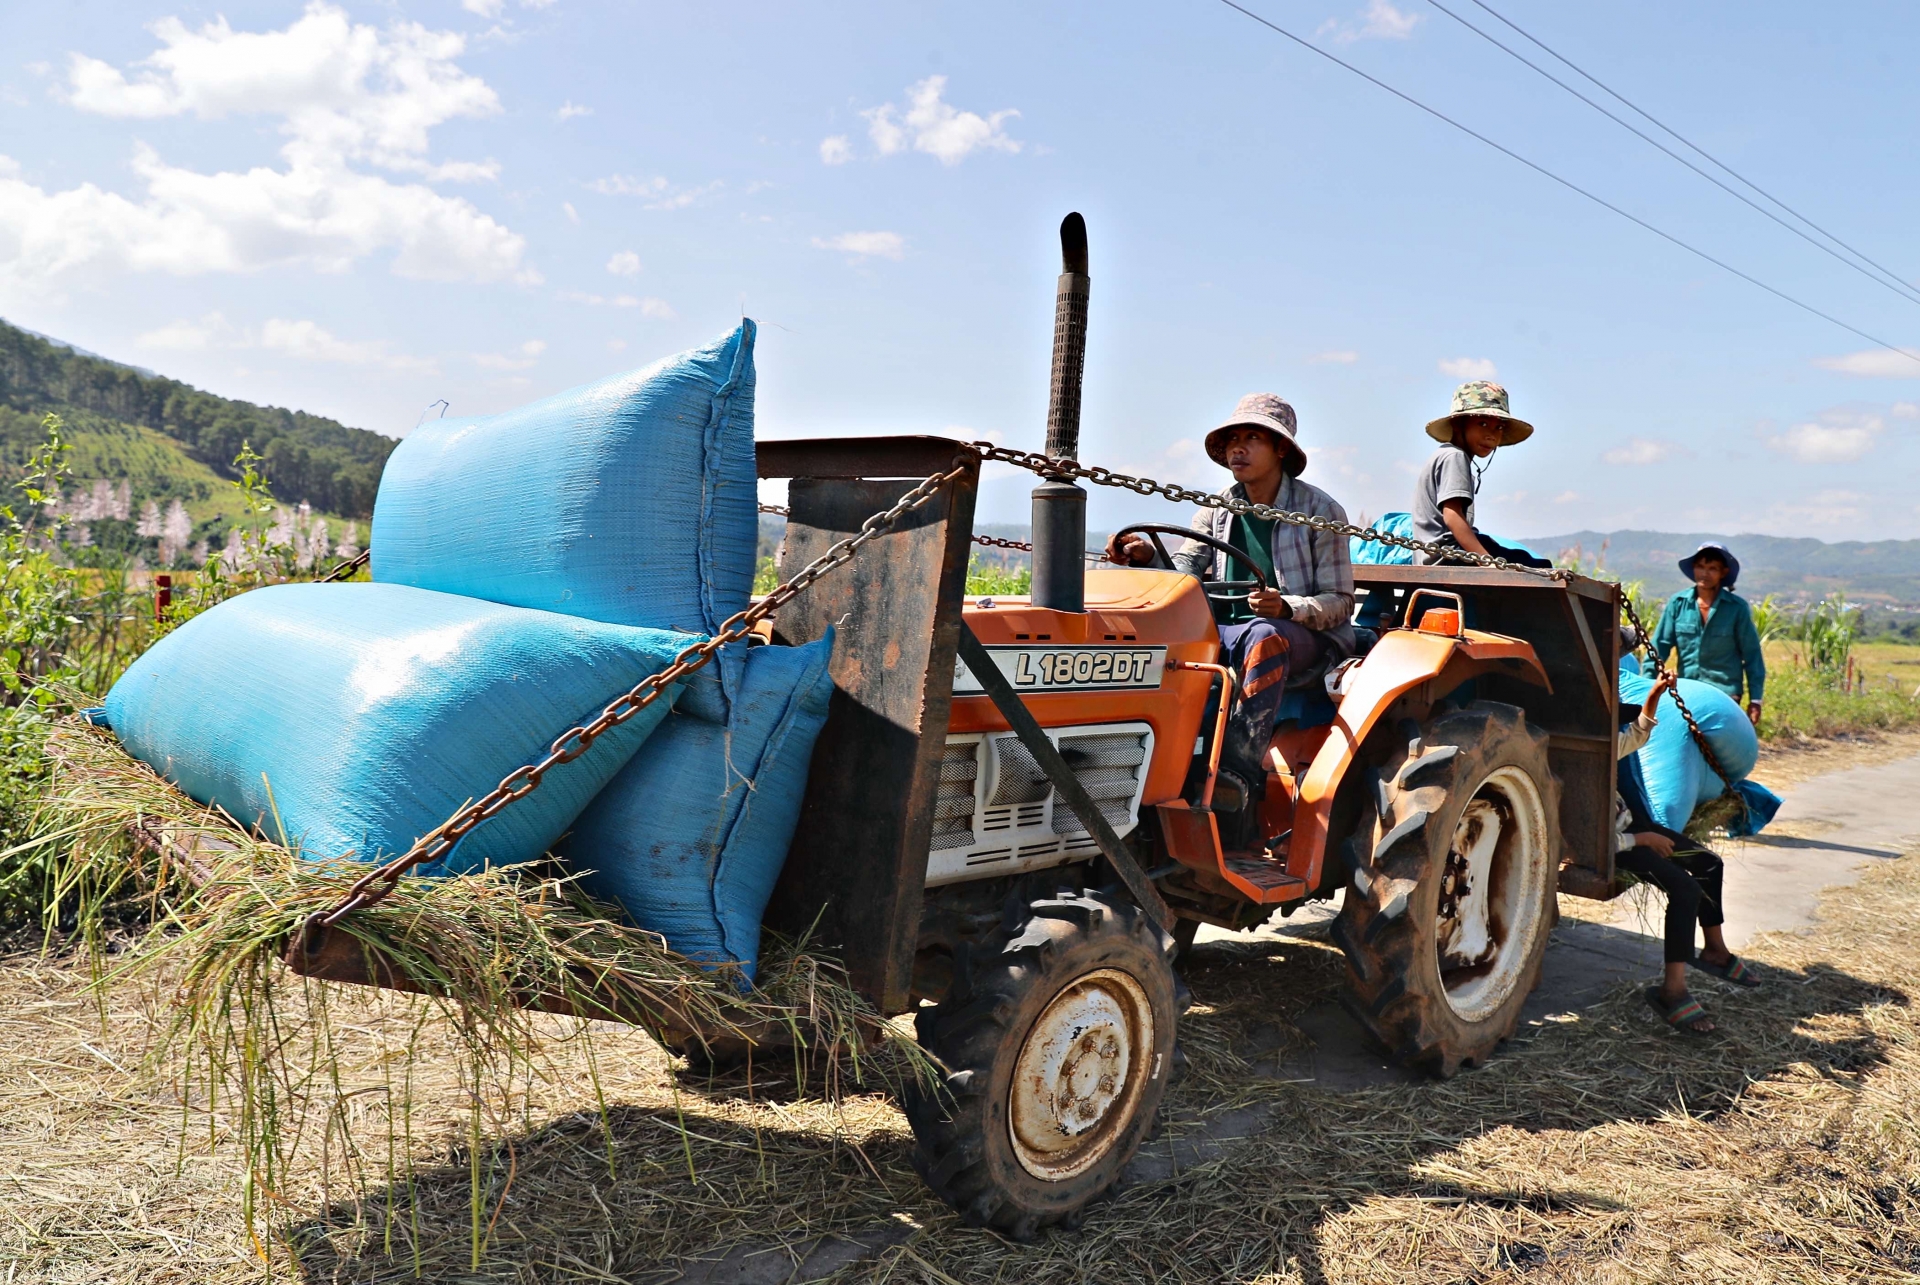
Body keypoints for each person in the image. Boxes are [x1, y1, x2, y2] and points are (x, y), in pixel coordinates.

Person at [1104, 393, 1354, 791]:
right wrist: (1148, 555)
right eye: (1232, 438)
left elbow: (1339, 601)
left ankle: (1236, 770)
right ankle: (1136, 759)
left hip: (1302, 638)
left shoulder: (1320, 510)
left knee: (1263, 635)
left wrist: (1286, 607)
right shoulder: (1216, 508)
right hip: (1226, 631)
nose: (1238, 448)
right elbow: (1184, 571)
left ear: (1281, 449)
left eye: (1253, 437)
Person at [1615, 669, 1762, 1035]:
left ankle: (1714, 950)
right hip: (1616, 842)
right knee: (1685, 889)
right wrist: (1644, 840)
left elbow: (1638, 731)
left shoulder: (1608, 746)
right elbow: (1585, 838)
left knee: (1710, 864)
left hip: (1632, 828)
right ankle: (1673, 990)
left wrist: (1656, 692)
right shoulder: (1568, 771)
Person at [1410, 380, 1552, 568]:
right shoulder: (1455, 456)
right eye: (1482, 423)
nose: (1491, 435)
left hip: (1443, 555)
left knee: (1518, 557)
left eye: (1498, 428)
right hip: (1447, 557)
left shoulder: (1447, 455)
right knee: (1539, 568)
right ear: (1458, 425)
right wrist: (1486, 562)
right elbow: (1452, 516)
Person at [1651, 542, 1766, 726]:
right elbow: (1658, 648)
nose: (1705, 573)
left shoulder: (1737, 609)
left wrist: (1756, 700)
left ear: (1724, 572)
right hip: (1689, 691)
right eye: (1700, 566)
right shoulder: (1678, 604)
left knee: (1718, 748)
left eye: (1712, 568)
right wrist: (1647, 688)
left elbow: (1752, 655)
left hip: (1725, 693)